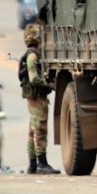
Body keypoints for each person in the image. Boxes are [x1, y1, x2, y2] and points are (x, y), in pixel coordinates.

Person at [19, 23, 60, 174]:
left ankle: (33, 164)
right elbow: (34, 78)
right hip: (37, 97)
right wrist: (49, 85)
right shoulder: (33, 56)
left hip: (33, 97)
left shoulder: (31, 54)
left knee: (33, 130)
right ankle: (41, 163)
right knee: (40, 129)